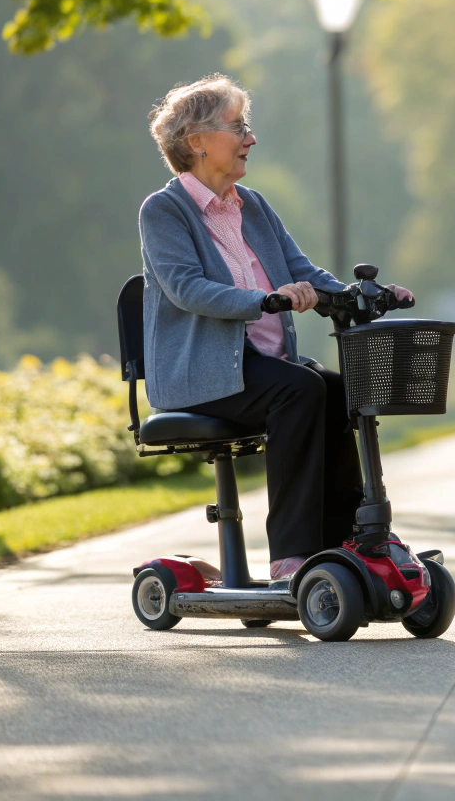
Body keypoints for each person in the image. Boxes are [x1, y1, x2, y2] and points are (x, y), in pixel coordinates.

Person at [138, 73, 412, 581]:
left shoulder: (254, 206)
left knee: (335, 389)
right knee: (301, 392)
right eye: (237, 126)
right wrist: (265, 300)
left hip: (259, 372)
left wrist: (358, 295)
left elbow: (302, 270)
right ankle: (293, 556)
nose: (251, 137)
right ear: (196, 141)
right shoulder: (164, 211)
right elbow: (187, 289)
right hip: (200, 376)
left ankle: (347, 542)